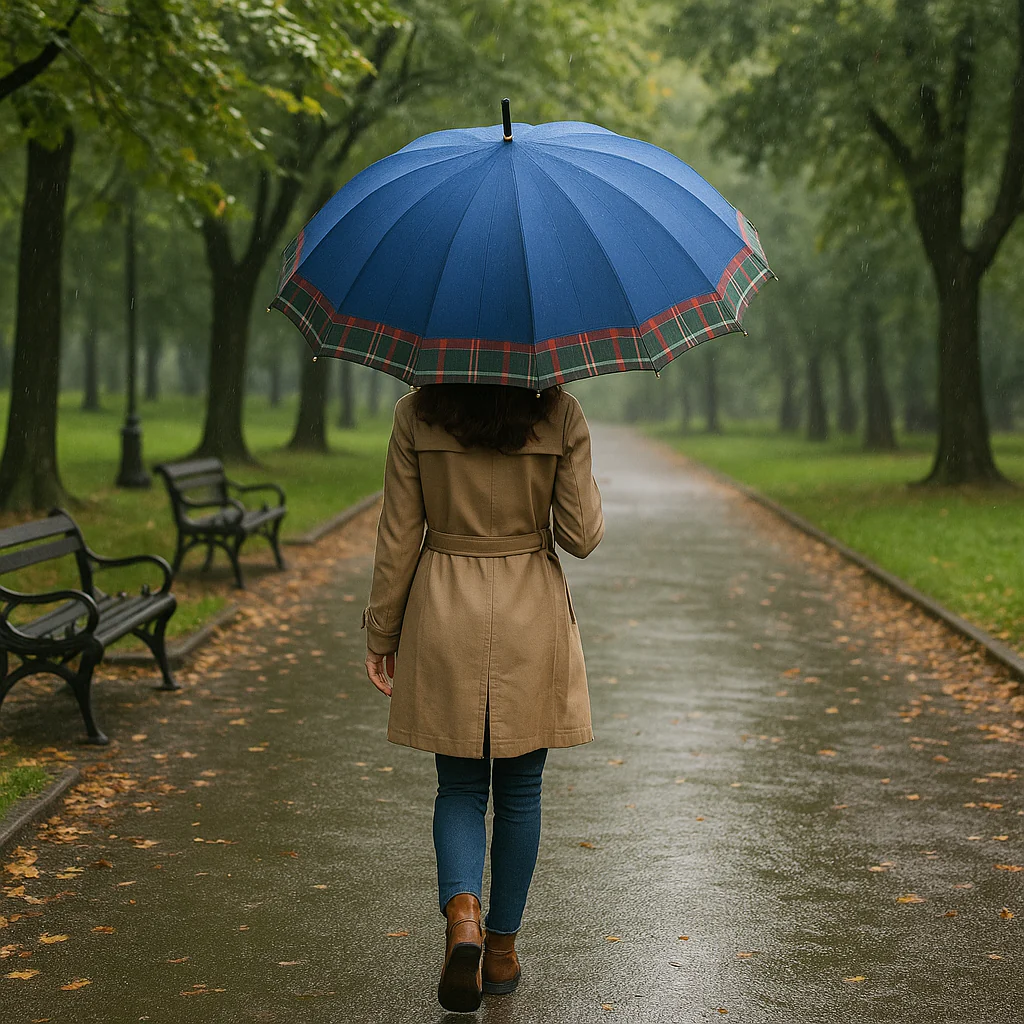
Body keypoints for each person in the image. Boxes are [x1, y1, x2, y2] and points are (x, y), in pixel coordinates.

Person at [361, 381, 604, 1012]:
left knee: (460, 786)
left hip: (445, 603)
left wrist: (383, 629)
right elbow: (581, 533)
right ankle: (499, 951)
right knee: (521, 791)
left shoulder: (417, 413)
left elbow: (397, 534)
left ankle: (462, 913)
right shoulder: (558, 412)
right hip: (531, 609)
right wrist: (567, 450)